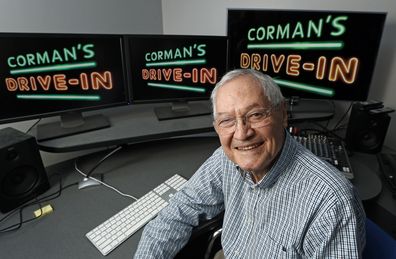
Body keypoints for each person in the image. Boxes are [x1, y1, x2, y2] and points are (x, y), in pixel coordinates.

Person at [134, 69, 366, 258]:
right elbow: (178, 213)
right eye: (227, 120)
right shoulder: (224, 160)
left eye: (256, 115)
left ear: (283, 114)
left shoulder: (331, 202)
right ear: (217, 127)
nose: (242, 133)